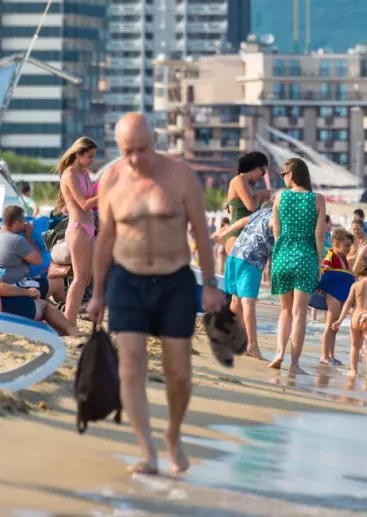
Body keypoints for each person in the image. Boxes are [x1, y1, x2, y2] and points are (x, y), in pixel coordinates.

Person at [86, 113, 224, 476]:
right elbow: (105, 241)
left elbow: (200, 233)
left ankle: (173, 434)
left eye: (142, 149)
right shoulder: (112, 180)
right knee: (131, 368)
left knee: (178, 373)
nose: (135, 158)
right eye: (127, 151)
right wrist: (97, 293)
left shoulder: (179, 175)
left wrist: (210, 284)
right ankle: (147, 452)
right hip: (126, 281)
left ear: (156, 139)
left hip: (174, 280)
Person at [268, 158, 326, 374]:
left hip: (282, 255)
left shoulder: (280, 197)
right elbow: (319, 234)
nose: (283, 178)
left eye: (284, 174)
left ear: (291, 175)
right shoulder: (318, 199)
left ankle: (279, 353)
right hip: (306, 258)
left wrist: (280, 251)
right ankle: (294, 364)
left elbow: (276, 230)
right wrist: (319, 261)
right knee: (300, 313)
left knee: (285, 311)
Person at [213, 204, 275, 360]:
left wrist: (224, 233)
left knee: (236, 300)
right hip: (251, 260)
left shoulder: (263, 211)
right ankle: (252, 345)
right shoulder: (277, 217)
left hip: (235, 255)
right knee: (248, 303)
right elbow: (277, 233)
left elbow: (241, 222)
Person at [54, 137, 99, 326]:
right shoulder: (70, 174)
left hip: (89, 228)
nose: (92, 160)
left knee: (87, 278)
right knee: (79, 278)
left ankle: (70, 320)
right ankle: (68, 323)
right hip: (78, 228)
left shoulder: (83, 173)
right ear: (78, 154)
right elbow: (84, 204)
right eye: (89, 156)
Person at [0, 205, 60, 301]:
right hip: (7, 287)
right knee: (57, 282)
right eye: (23, 221)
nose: (25, 224)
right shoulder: (16, 240)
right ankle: (65, 307)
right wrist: (28, 236)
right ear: (17, 222)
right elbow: (38, 260)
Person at [318, 227, 353, 366]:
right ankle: (324, 355)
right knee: (330, 324)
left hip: (340, 294)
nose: (348, 248)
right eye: (346, 245)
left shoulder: (343, 258)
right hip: (332, 295)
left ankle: (331, 354)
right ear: (336, 243)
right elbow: (324, 271)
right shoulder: (330, 256)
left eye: (350, 246)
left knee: (335, 326)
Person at [225, 152, 270, 254]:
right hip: (238, 235)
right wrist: (259, 195)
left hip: (247, 236)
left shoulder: (248, 185)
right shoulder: (240, 180)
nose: (262, 176)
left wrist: (262, 198)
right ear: (254, 167)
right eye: (263, 172)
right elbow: (251, 207)